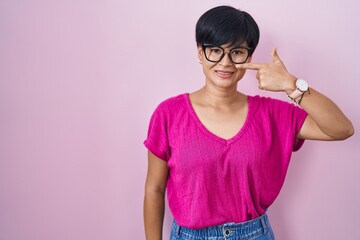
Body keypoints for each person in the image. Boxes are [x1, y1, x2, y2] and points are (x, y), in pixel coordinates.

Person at [143, 5, 354, 240]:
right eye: (215, 50)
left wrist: (291, 84)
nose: (225, 62)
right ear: (200, 52)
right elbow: (155, 189)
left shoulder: (273, 114)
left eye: (237, 52)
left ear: (249, 57)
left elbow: (341, 128)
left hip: (254, 234)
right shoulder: (169, 114)